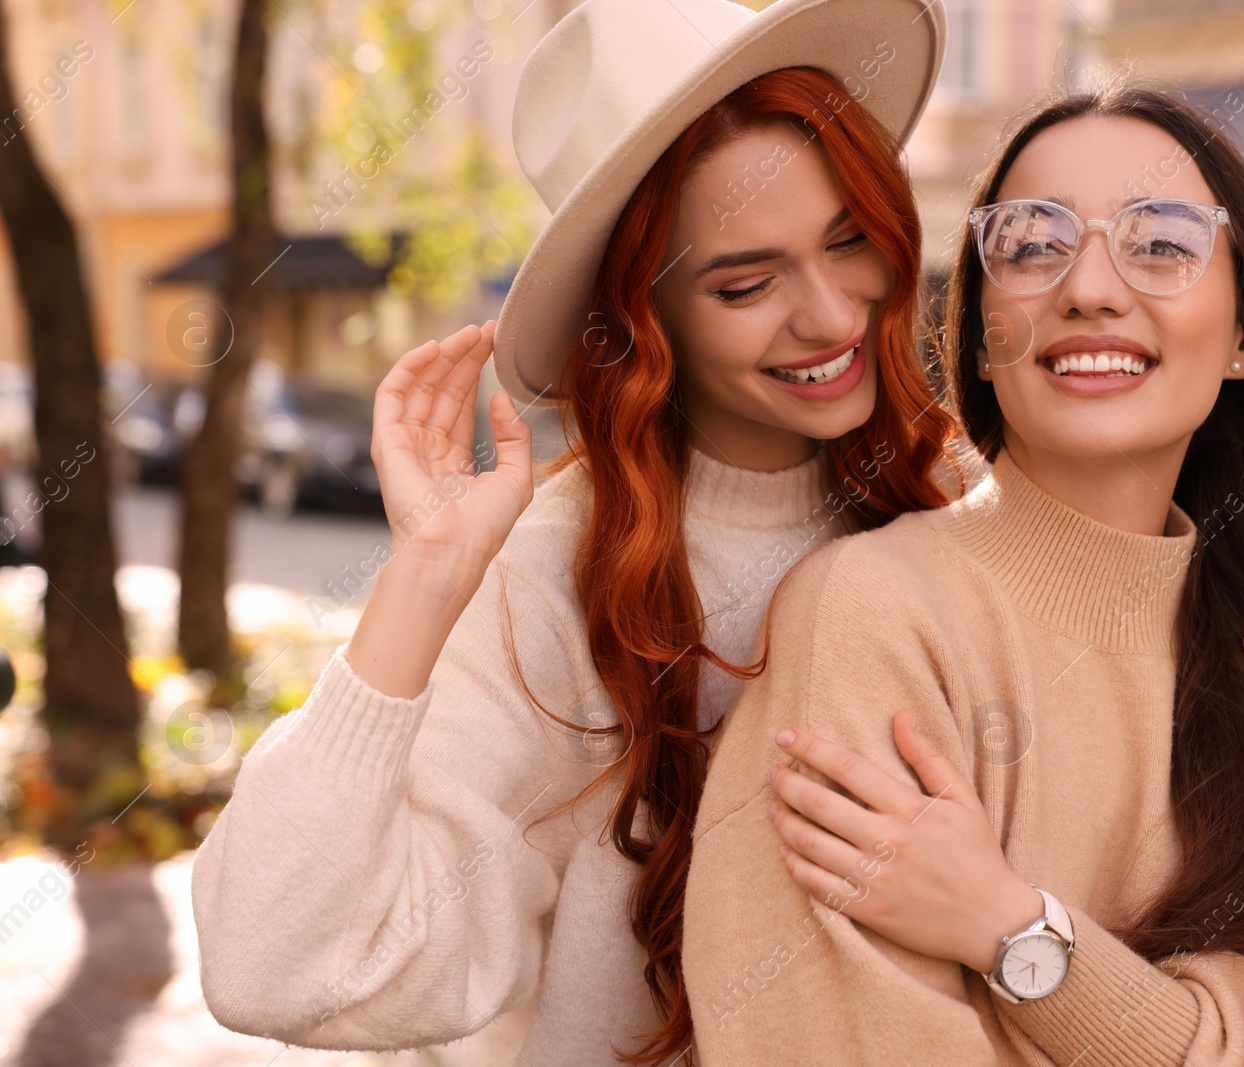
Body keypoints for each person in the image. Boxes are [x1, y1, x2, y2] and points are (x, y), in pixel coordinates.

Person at [190, 2, 955, 1065]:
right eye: (746, 282)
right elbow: (275, 961)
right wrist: (427, 575)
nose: (829, 315)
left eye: (849, 241)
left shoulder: (964, 502)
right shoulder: (558, 570)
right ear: (646, 316)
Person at [682, 82, 1244, 1066]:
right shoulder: (874, 615)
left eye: (1161, 242)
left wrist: (1017, 934)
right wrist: (1216, 1025)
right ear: (986, 334)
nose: (1087, 287)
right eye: (1032, 243)